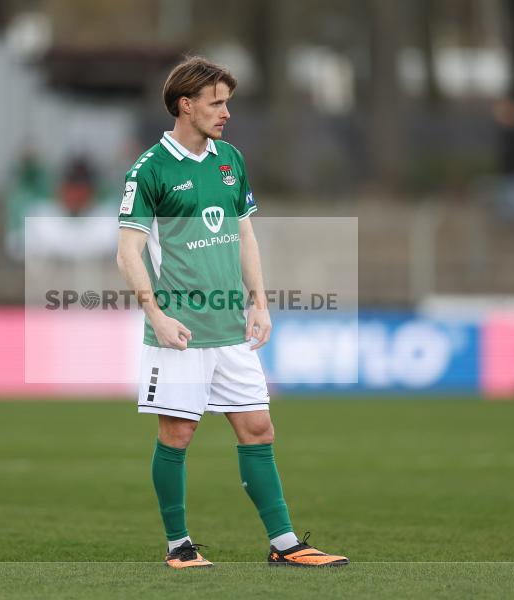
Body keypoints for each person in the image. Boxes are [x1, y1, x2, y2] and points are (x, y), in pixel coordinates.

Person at [115, 56, 349, 569]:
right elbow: (127, 251)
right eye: (216, 103)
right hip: (178, 330)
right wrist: (156, 316)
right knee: (177, 434)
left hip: (230, 329)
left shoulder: (230, 160)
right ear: (186, 105)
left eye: (228, 103)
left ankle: (285, 544)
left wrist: (259, 303)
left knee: (258, 428)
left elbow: (244, 234)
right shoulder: (150, 169)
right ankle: (178, 545)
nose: (225, 112)